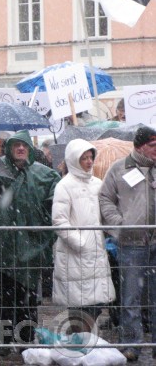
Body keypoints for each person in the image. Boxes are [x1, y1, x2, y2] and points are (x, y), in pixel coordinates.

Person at [0, 130, 61, 349]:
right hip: (4, 247)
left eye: (24, 145)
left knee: (29, 298)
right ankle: (4, 342)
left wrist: (44, 218)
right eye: (16, 146)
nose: (21, 149)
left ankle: (25, 340)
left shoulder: (43, 173)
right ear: (10, 149)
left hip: (30, 247)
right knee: (4, 298)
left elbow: (56, 196)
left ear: (30, 149)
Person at [99, 126, 156, 362]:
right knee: (131, 297)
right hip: (131, 244)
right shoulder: (119, 169)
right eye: (154, 146)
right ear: (140, 145)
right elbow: (105, 198)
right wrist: (119, 225)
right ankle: (132, 344)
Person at [52, 139, 115, 332]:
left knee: (95, 301)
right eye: (84, 158)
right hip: (75, 254)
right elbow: (59, 221)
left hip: (96, 251)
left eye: (90, 157)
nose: (89, 162)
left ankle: (87, 339)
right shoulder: (64, 186)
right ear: (73, 160)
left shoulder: (98, 183)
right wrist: (80, 242)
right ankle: (80, 341)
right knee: (78, 303)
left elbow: (106, 212)